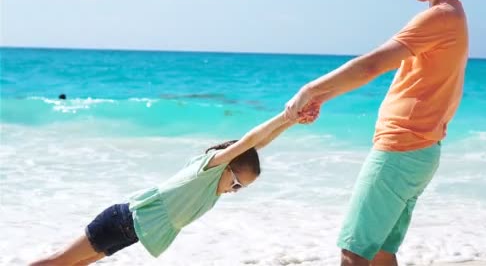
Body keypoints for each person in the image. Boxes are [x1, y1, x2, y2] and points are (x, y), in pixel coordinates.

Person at [284, 0, 468, 266]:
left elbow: (371, 65)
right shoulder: (454, 17)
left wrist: (311, 90)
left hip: (400, 150)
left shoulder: (440, 16)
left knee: (353, 252)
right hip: (419, 150)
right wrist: (322, 99)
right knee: (381, 252)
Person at [30, 105, 319, 266]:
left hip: (132, 232)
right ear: (226, 167)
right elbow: (248, 142)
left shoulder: (215, 187)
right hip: (123, 220)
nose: (233, 190)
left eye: (240, 189)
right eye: (235, 183)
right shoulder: (208, 168)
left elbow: (258, 146)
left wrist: (292, 124)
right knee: (59, 261)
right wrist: (286, 115)